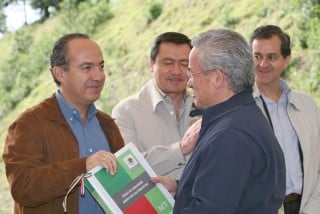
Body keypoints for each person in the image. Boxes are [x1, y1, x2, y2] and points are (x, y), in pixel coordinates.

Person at [152, 28, 286, 213]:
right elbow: (228, 190)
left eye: (192, 73)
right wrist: (180, 188)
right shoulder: (240, 116)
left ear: (217, 78)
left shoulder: (230, 134)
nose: (189, 82)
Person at [2, 33, 124, 214]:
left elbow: (123, 184)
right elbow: (23, 187)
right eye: (87, 67)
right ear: (59, 73)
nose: (98, 76)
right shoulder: (28, 125)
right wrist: (83, 166)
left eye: (101, 66)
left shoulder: (107, 124)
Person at [250, 25, 320, 214]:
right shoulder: (242, 109)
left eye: (272, 57)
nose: (263, 64)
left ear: (286, 59)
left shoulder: (307, 104)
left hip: (310, 207)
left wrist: (313, 208)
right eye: (257, 56)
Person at [112, 32, 197, 180]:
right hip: (156, 202)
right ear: (152, 64)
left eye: (184, 64)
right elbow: (129, 169)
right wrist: (180, 149)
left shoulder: (204, 106)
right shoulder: (125, 112)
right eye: (168, 63)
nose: (177, 71)